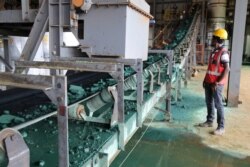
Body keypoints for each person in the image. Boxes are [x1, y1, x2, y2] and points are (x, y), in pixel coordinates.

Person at [199, 28, 230, 135]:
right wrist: (205, 80)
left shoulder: (223, 53)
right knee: (209, 102)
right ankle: (209, 121)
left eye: (213, 38)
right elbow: (210, 68)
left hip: (216, 84)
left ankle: (221, 127)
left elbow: (226, 69)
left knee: (218, 104)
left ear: (217, 39)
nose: (211, 40)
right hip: (209, 82)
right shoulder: (214, 52)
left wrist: (217, 82)